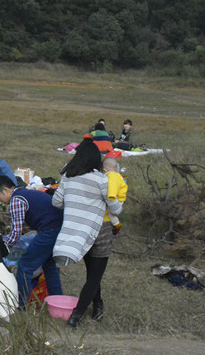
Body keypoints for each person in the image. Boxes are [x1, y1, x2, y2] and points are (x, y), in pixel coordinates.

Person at [52, 138, 123, 327]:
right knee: (95, 276)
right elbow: (115, 209)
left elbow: (56, 202)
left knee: (92, 273)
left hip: (76, 232)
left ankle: (98, 305)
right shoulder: (101, 179)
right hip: (99, 230)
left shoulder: (68, 177)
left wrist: (75, 203)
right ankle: (77, 315)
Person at [0, 175, 64, 307]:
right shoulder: (24, 194)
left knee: (25, 266)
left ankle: (21, 304)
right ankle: (57, 301)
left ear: (6, 190)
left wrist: (1, 248)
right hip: (58, 228)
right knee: (49, 265)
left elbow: (15, 233)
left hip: (49, 231)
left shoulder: (16, 200)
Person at [102, 156, 128, 235]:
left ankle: (117, 225)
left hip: (116, 199)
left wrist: (111, 196)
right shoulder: (116, 175)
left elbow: (112, 187)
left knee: (111, 214)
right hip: (119, 198)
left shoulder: (112, 175)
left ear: (104, 170)